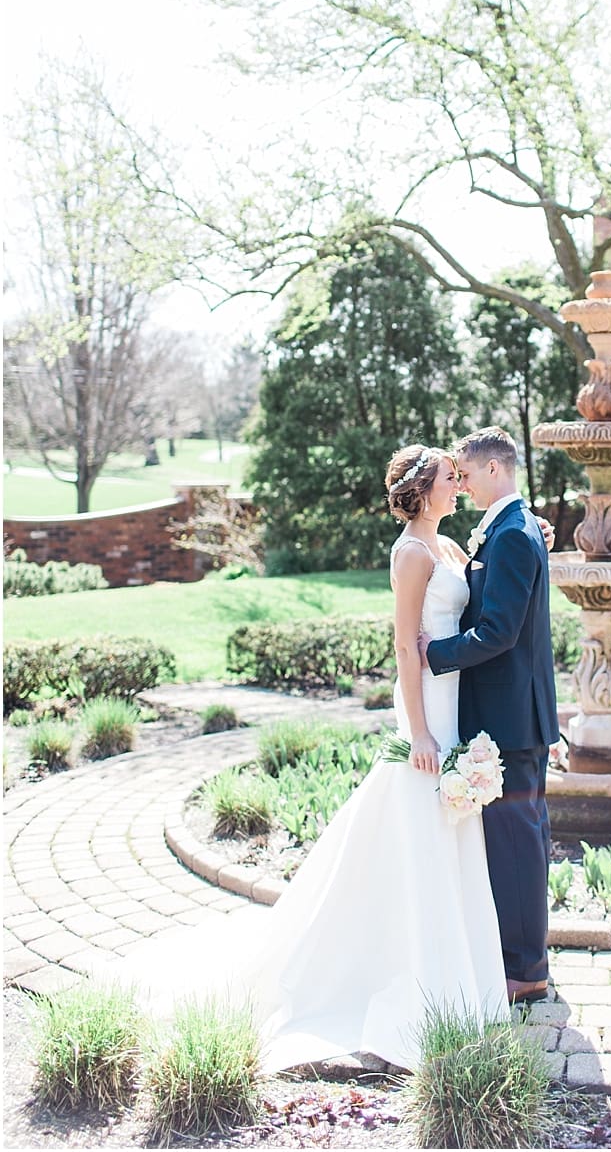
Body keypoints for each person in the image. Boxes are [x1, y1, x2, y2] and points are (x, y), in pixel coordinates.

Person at [107, 443, 509, 1071]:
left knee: (446, 833)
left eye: (457, 479)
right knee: (415, 822)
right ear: (420, 490)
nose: (456, 487)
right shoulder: (410, 554)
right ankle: (413, 977)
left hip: (460, 709)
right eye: (446, 481)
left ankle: (455, 973)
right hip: (429, 709)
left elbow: (483, 578)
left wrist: (528, 531)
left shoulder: (451, 547)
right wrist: (423, 734)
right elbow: (407, 648)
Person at [418, 427, 562, 1006]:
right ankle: (519, 954)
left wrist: (436, 653)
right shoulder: (508, 531)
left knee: (518, 844)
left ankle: (526, 969)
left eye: (467, 475)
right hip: (506, 715)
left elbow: (500, 632)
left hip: (512, 719)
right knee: (515, 840)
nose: (463, 484)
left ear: (495, 471)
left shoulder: (513, 536)